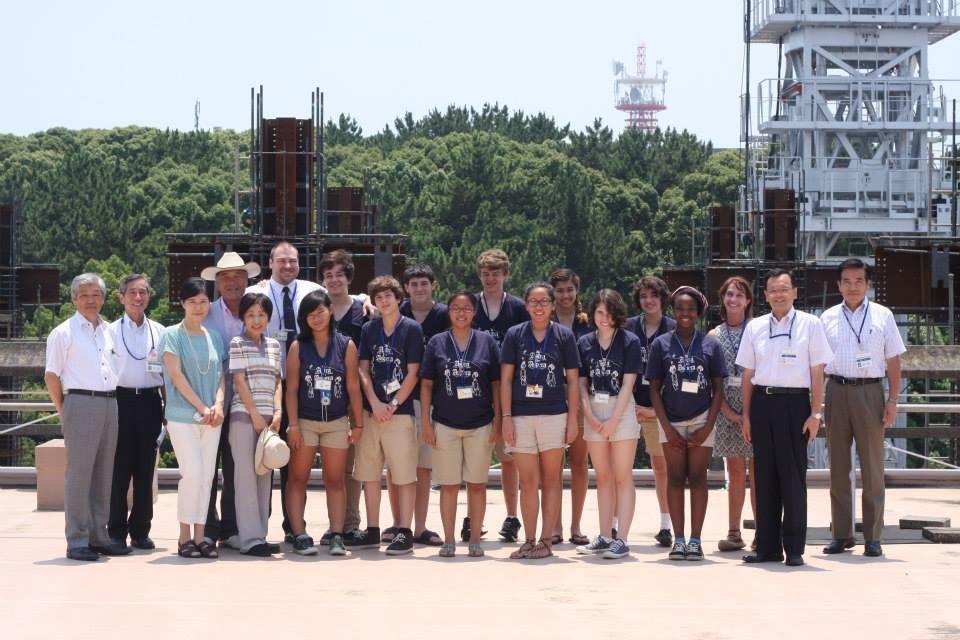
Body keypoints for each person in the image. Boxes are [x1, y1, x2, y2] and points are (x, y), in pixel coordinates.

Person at [737, 268, 833, 567]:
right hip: (763, 404)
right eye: (773, 291)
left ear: (794, 293)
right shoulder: (755, 327)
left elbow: (818, 373)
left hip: (795, 406)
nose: (779, 295)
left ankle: (793, 548)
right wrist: (747, 416)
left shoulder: (811, 324)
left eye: (784, 289)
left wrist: (816, 413)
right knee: (763, 478)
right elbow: (748, 375)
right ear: (765, 296)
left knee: (793, 478)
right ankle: (767, 546)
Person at [820, 258, 905, 558]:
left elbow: (894, 360)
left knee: (872, 467)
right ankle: (841, 534)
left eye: (858, 281)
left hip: (870, 391)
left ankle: (873, 536)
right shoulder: (827, 317)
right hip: (836, 390)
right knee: (838, 468)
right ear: (838, 285)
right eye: (847, 281)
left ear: (868, 284)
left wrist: (893, 400)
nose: (852, 287)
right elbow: (817, 363)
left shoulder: (883, 315)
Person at [45, 273, 127, 561]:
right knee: (79, 475)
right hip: (80, 401)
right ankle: (77, 540)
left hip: (109, 403)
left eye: (96, 294)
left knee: (104, 473)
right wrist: (63, 408)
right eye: (84, 295)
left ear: (104, 299)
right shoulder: (63, 332)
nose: (91, 300)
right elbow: (51, 375)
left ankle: (98, 536)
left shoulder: (108, 331)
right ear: (73, 299)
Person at [246, 241, 322, 544]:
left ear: (299, 264)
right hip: (266, 385)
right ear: (271, 262)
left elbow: (341, 300)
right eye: (281, 261)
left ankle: (294, 526)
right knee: (262, 458)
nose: (287, 266)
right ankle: (257, 528)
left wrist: (364, 297)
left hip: (303, 385)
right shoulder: (259, 293)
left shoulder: (312, 289)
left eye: (292, 261)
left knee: (295, 461)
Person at [501, 282, 581, 559]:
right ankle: (529, 539)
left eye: (544, 302)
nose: (538, 307)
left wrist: (572, 420)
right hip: (521, 415)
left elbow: (572, 381)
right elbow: (507, 378)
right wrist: (506, 417)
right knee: (527, 481)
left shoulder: (564, 336)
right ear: (526, 305)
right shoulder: (514, 335)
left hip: (554, 414)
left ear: (552, 305)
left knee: (551, 481)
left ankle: (546, 541)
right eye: (533, 302)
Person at [647, 286, 726, 561]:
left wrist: (707, 426)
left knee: (699, 478)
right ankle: (678, 540)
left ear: (698, 312)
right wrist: (667, 427)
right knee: (675, 478)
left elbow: (718, 390)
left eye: (690, 309)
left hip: (702, 418)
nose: (685, 313)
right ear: (673, 310)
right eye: (680, 308)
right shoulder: (661, 344)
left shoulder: (710, 344)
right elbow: (654, 389)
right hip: (671, 421)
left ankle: (695, 540)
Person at [420, 291, 500, 557]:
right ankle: (450, 540)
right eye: (456, 308)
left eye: (467, 308)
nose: (461, 313)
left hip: (480, 423)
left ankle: (475, 539)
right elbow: (427, 384)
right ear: (449, 312)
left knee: (476, 484)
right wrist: (426, 423)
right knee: (449, 485)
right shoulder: (437, 342)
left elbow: (497, 384)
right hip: (445, 423)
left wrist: (499, 419)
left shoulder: (486, 342)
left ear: (474, 312)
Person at [285, 290, 364, 556]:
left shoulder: (346, 344)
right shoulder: (298, 346)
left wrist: (359, 424)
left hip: (337, 421)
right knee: (297, 478)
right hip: (305, 422)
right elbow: (291, 389)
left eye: (320, 311)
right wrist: (293, 424)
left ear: (330, 310)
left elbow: (353, 387)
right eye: (310, 314)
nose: (316, 318)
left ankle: (337, 535)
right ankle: (299, 534)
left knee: (335, 480)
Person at [354, 275, 425, 555]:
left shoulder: (411, 329)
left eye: (388, 296)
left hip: (400, 411)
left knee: (404, 473)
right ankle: (372, 530)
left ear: (399, 298)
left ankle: (404, 531)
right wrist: (373, 401)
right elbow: (362, 368)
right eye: (378, 297)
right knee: (369, 472)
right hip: (373, 411)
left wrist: (393, 404)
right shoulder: (369, 329)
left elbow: (413, 372)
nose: (384, 301)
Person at [382, 263, 449, 547]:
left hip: (431, 400)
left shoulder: (445, 315)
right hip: (397, 402)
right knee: (397, 468)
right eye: (413, 284)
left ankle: (419, 527)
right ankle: (399, 524)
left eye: (424, 283)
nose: (419, 288)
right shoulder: (398, 312)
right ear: (405, 289)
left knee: (423, 468)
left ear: (433, 285)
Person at [161, 278, 227, 559]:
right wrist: (202, 407)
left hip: (212, 417)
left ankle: (202, 537)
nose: (198, 307)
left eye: (203, 302)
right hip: (182, 415)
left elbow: (222, 376)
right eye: (192, 302)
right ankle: (184, 536)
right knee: (192, 474)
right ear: (182, 304)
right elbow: (175, 376)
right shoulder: (171, 335)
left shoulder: (214, 337)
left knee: (208, 476)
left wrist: (219, 405)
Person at [200, 251, 261, 549]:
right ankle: (208, 527)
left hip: (247, 402)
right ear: (217, 282)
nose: (232, 282)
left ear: (247, 279)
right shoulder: (204, 312)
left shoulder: (258, 310)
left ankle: (234, 527)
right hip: (210, 400)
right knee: (208, 464)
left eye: (238, 275)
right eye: (226, 276)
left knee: (240, 465)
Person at [575, 289, 641, 559]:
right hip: (593, 408)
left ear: (617, 314)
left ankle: (622, 538)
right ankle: (603, 535)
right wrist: (589, 415)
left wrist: (614, 419)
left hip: (621, 409)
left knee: (622, 475)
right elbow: (581, 382)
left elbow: (628, 382)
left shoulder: (629, 341)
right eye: (599, 312)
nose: (604, 318)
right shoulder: (585, 342)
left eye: (609, 313)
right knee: (602, 476)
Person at [472, 249, 529, 543]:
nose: (490, 278)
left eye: (495, 272)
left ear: (506, 274)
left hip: (509, 391)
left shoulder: (518, 308)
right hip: (473, 391)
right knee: (472, 457)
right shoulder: (469, 305)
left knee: (508, 457)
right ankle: (474, 518)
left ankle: (511, 516)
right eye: (485, 272)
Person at [107, 274, 165, 552]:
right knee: (119, 470)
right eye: (132, 292)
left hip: (151, 402)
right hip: (121, 401)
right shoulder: (109, 331)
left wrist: (167, 409)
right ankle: (115, 531)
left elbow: (167, 373)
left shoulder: (160, 331)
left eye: (143, 292)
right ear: (121, 297)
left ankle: (141, 531)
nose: (138, 297)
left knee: (145, 470)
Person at [227, 293, 283, 556]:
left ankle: (259, 535)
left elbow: (277, 381)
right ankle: (249, 540)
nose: (256, 320)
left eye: (261, 314)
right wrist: (255, 414)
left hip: (270, 421)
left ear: (268, 317)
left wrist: (278, 411)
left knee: (265, 476)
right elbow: (239, 381)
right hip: (243, 418)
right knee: (246, 478)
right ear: (243, 318)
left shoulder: (274, 345)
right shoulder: (237, 343)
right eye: (251, 315)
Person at [318, 249, 368, 545]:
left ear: (348, 277)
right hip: (321, 398)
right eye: (328, 275)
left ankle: (350, 523)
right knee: (332, 467)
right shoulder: (315, 308)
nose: (334, 280)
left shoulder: (363, 310)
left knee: (353, 464)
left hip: (354, 397)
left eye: (339, 274)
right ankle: (334, 523)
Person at [624, 276, 675, 547]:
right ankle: (615, 526)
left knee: (660, 466)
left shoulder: (674, 329)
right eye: (643, 296)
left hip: (659, 408)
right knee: (620, 467)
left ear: (662, 298)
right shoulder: (629, 327)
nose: (648, 301)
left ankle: (666, 524)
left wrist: (655, 410)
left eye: (653, 295)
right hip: (628, 407)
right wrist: (629, 405)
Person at [709, 276, 757, 552]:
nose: (734, 300)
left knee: (759, 473)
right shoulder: (714, 336)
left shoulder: (758, 329)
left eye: (739, 295)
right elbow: (713, 379)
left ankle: (761, 531)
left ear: (748, 300)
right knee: (736, 471)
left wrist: (749, 414)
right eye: (729, 294)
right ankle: (734, 531)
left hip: (756, 409)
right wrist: (727, 411)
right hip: (727, 410)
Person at [549, 268, 591, 546]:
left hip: (581, 402)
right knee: (551, 468)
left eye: (569, 289)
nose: (565, 295)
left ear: (577, 291)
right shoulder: (542, 321)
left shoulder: (588, 324)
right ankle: (555, 526)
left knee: (578, 465)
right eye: (560, 290)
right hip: (549, 401)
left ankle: (576, 526)